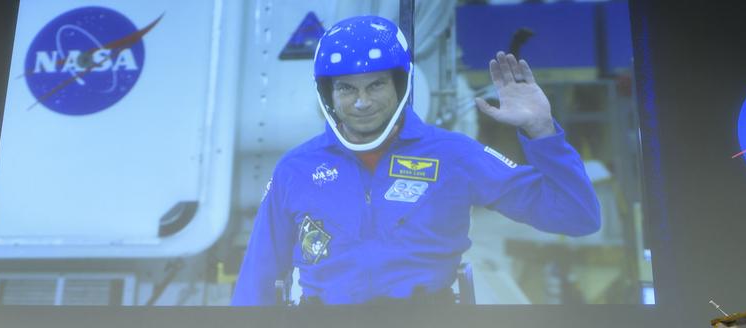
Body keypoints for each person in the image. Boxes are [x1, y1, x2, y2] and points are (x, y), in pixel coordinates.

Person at [232, 15, 601, 306]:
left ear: (400, 85)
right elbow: (257, 283)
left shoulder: (454, 155)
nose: (361, 102)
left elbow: (576, 214)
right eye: (347, 88)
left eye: (375, 85)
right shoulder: (296, 169)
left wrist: (541, 132)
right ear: (328, 94)